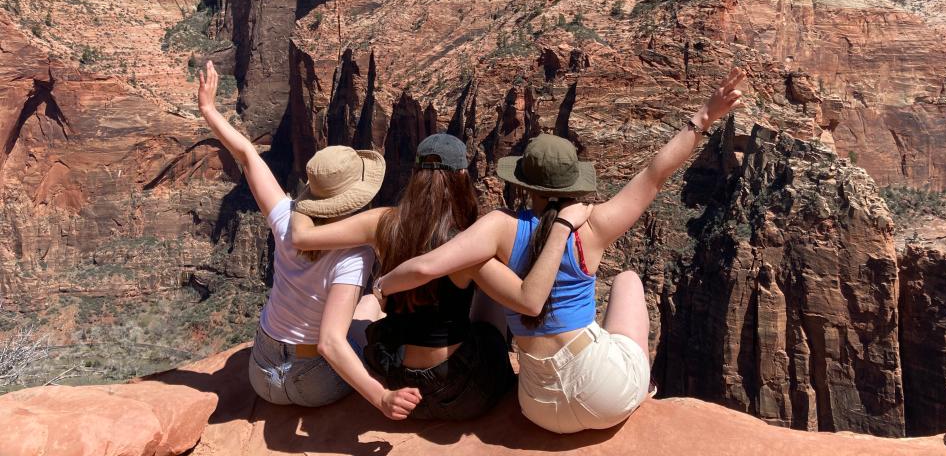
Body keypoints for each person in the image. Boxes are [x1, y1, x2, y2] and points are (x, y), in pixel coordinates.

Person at [375, 67, 746, 433]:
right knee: (629, 280)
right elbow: (655, 174)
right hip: (604, 394)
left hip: (538, 406)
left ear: (522, 183)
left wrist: (384, 285)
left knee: (481, 281)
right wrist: (704, 116)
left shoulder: (498, 228)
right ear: (572, 181)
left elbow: (427, 267)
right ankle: (638, 386)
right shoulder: (594, 226)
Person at [288, 132, 589, 420]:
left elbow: (301, 237)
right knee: (492, 298)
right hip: (460, 392)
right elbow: (527, 301)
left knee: (369, 301)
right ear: (460, 177)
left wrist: (311, 193)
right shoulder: (465, 245)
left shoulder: (381, 222)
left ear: (415, 175)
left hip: (398, 384)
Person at [195, 61, 420, 420]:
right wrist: (381, 398)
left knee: (361, 307)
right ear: (357, 198)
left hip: (262, 372)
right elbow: (330, 343)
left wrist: (208, 109)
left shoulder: (286, 218)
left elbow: (248, 156)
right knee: (369, 307)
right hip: (314, 382)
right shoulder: (353, 255)